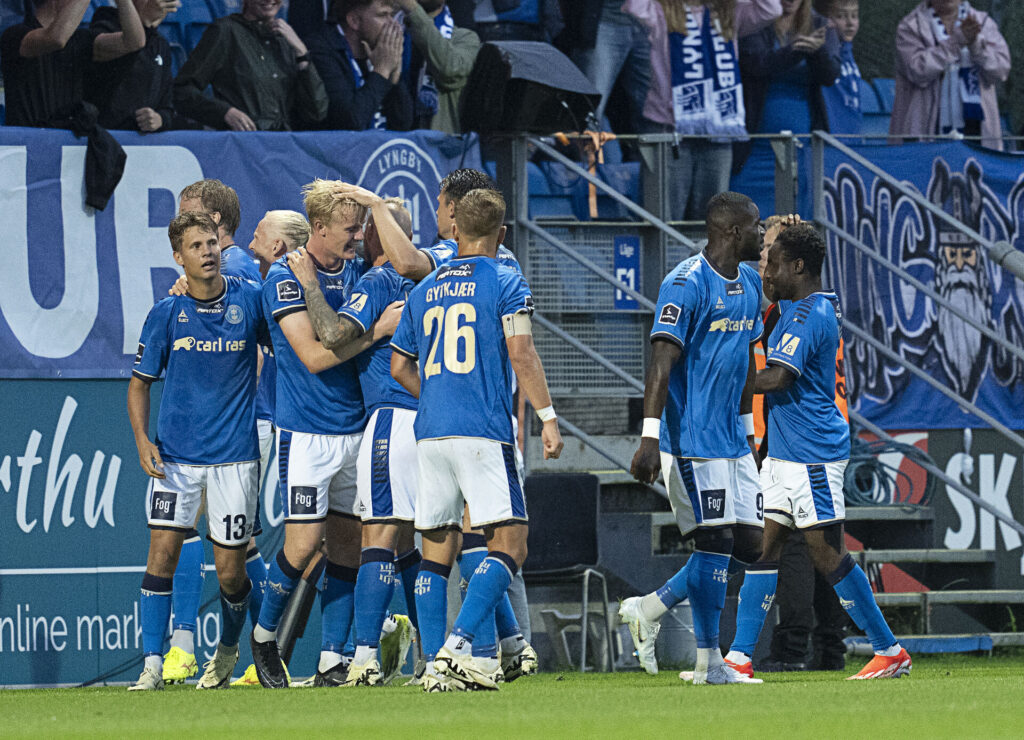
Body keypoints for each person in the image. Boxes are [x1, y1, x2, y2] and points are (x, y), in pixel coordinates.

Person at [336, 170, 540, 684]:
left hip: (425, 419)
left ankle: (437, 657)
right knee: (485, 540)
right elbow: (521, 349)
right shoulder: (503, 267)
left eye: (440, 207)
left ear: (453, 211)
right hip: (478, 420)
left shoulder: (441, 268)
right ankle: (482, 650)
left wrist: (374, 205)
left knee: (429, 541)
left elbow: (406, 268)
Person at [390, 188, 564, 691]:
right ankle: (460, 647)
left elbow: (400, 364)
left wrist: (437, 394)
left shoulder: (423, 290)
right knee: (511, 544)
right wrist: (547, 418)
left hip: (431, 432)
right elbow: (523, 354)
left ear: (454, 231)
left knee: (435, 551)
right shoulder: (505, 280)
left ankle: (434, 665)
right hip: (483, 431)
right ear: (502, 234)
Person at [726, 223, 913, 681]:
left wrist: (721, 380)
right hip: (785, 455)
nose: (765, 270)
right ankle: (740, 658)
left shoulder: (809, 315)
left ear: (798, 267)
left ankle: (889, 650)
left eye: (772, 263)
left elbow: (777, 379)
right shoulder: (795, 308)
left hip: (812, 455)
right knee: (764, 551)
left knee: (827, 555)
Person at [618, 191, 764, 685]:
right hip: (690, 438)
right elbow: (661, 362)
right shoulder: (685, 283)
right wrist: (649, 438)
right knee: (715, 541)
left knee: (749, 544)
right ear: (731, 232)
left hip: (732, 440)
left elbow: (744, 363)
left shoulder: (749, 283)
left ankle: (649, 608)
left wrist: (750, 435)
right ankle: (709, 663)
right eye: (757, 227)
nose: (763, 237)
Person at [248, 181, 382, 688]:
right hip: (305, 434)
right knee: (303, 546)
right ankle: (264, 637)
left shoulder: (358, 271)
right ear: (320, 229)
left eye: (360, 227)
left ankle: (332, 659)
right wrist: (376, 332)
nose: (358, 236)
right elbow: (312, 356)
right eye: (350, 229)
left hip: (356, 429)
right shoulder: (284, 277)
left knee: (347, 549)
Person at [126, 211, 267, 691]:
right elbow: (140, 384)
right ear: (178, 257)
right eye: (196, 246)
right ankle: (152, 664)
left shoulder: (249, 301)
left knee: (231, 573)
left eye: (212, 243)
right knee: (161, 556)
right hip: (176, 461)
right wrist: (144, 441)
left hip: (234, 458)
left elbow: (286, 351)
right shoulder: (167, 312)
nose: (208, 251)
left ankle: (228, 651)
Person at [287, 198, 417, 687]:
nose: (359, 234)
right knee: (438, 540)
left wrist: (309, 285)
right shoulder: (437, 269)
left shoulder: (378, 280)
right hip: (441, 417)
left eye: (366, 228)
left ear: (378, 238)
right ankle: (474, 647)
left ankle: (361, 655)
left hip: (386, 420)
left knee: (376, 538)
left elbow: (331, 334)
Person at [624, 0, 782, 220]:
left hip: (717, 134)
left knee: (713, 222)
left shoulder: (729, 14)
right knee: (664, 219)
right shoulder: (660, 10)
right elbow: (633, 6)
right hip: (670, 131)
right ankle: (665, 257)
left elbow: (771, 8)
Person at [173, 0, 328, 131]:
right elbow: (182, 91)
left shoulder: (285, 40)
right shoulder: (225, 31)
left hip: (283, 148)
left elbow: (316, 112)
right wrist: (225, 113)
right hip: (243, 148)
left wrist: (302, 53)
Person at [889, 0, 1010, 151]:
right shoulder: (910, 26)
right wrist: (955, 43)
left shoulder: (983, 23)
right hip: (924, 138)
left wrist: (976, 46)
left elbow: (1001, 70)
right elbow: (917, 70)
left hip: (978, 134)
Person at [1, 0, 144, 127]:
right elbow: (57, 38)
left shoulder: (79, 40)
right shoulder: (14, 35)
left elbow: (134, 42)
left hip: (66, 146)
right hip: (28, 145)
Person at [735, 0, 839, 168]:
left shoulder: (821, 25)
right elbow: (757, 65)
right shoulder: (754, 21)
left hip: (803, 141)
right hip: (754, 143)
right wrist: (797, 50)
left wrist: (817, 52)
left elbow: (830, 76)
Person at [304, 0, 413, 131]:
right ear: (354, 21)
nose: (393, 24)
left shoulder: (380, 53)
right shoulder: (321, 51)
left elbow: (403, 125)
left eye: (392, 15)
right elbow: (350, 121)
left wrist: (394, 78)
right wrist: (381, 71)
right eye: (383, 15)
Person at [86, 0, 179, 133]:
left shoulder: (160, 45)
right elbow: (104, 86)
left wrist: (160, 119)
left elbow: (168, 105)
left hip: (142, 146)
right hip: (104, 138)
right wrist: (144, 23)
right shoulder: (104, 28)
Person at [396, 0, 480, 133]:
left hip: (436, 147)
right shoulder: (387, 30)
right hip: (388, 142)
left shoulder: (464, 38)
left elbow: (449, 70)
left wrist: (413, 10)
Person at [814, 0, 861, 136]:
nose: (850, 23)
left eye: (854, 16)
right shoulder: (825, 56)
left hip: (853, 138)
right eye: (841, 16)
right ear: (827, 20)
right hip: (832, 140)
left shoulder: (848, 52)